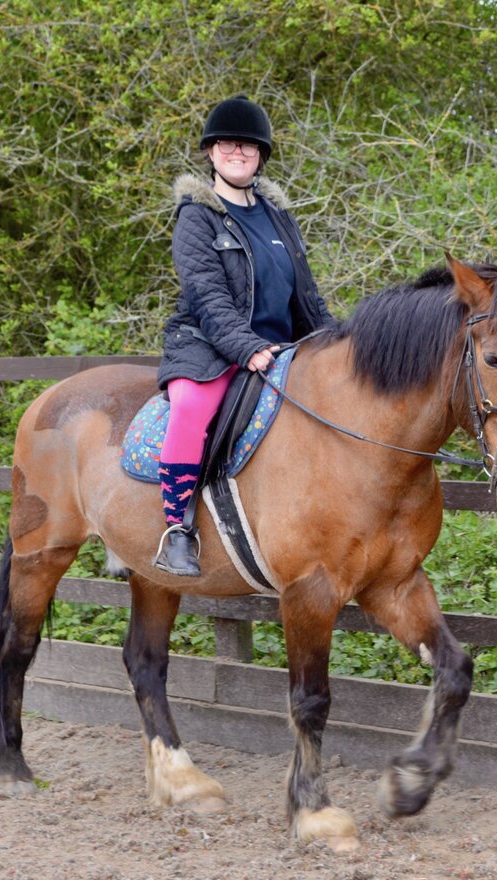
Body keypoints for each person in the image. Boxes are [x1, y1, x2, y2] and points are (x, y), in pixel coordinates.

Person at [154, 95, 335, 577]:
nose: (238, 152)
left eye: (248, 146)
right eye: (227, 145)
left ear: (260, 156)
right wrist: (246, 347)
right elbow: (207, 296)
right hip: (210, 347)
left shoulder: (279, 217)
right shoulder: (196, 217)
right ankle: (177, 528)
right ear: (210, 152)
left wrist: (339, 343)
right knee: (191, 408)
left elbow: (306, 296)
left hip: (281, 350)